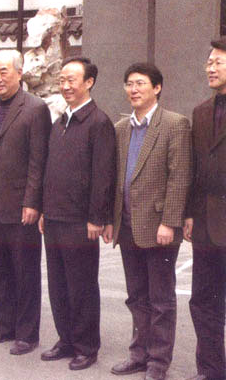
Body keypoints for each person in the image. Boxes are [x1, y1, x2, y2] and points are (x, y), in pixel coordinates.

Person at [104, 63, 191, 380]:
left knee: (161, 299)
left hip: (159, 227)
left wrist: (170, 222)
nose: (133, 89)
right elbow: (115, 178)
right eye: (129, 83)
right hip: (127, 224)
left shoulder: (174, 124)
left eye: (140, 83)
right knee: (136, 296)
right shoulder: (121, 128)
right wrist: (111, 219)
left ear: (157, 87)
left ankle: (158, 361)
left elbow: (179, 177)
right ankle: (138, 354)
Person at [39, 57, 115, 370]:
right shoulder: (60, 122)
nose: (66, 86)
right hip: (54, 217)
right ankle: (66, 339)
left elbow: (103, 175)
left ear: (89, 82)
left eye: (72, 80)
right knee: (58, 283)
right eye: (62, 80)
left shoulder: (98, 122)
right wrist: (44, 210)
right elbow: (50, 171)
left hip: (81, 221)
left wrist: (97, 218)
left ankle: (86, 345)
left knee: (81, 285)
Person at [0, 49, 51, 355]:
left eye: (4, 72)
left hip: (22, 206)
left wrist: (33, 202)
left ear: (19, 73)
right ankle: (5, 325)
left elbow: (38, 159)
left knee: (25, 271)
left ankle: (27, 333)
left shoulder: (35, 108)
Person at [185, 38, 226, 380]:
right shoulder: (199, 112)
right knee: (204, 301)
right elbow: (194, 168)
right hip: (207, 227)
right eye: (208, 62)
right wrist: (189, 213)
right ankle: (211, 370)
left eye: (218, 62)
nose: (210, 68)